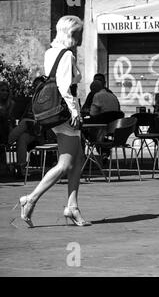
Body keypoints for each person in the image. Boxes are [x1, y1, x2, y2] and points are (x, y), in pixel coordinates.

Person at [17, 15, 91, 228]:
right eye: (79, 32)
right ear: (72, 33)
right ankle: (30, 198)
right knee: (66, 163)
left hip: (56, 111)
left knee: (77, 160)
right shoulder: (67, 55)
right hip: (67, 111)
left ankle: (72, 207)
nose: (81, 36)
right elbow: (64, 86)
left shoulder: (50, 52)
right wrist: (75, 112)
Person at [0, 81, 15, 169]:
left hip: (7, 130)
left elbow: (11, 120)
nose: (5, 92)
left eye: (6, 90)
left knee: (3, 121)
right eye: (2, 90)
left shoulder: (11, 103)